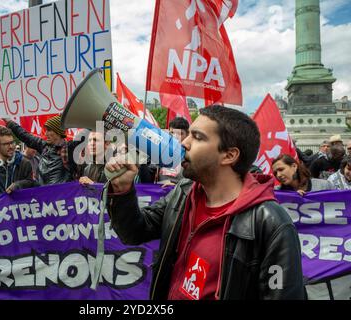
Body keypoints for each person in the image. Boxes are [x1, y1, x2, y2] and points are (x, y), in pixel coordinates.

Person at [105, 105, 305, 300]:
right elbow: (134, 232)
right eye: (189, 134)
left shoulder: (270, 223)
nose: (184, 143)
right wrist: (122, 190)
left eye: (198, 137)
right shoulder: (183, 193)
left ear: (229, 155)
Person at [3, 115, 80, 185]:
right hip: (44, 197)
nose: (46, 134)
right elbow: (24, 135)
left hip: (63, 197)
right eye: (46, 130)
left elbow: (84, 136)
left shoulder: (69, 148)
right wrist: (8, 120)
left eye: (49, 130)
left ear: (58, 132)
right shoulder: (43, 146)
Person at [0, 127, 36, 208]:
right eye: (6, 144)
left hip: (17, 211)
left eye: (12, 142)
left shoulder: (24, 163)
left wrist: (18, 185)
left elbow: (31, 184)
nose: (11, 146)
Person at [156, 117, 190, 187]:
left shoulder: (190, 157)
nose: (175, 137)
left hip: (179, 195)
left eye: (179, 134)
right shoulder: (161, 152)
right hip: (159, 195)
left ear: (187, 135)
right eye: (172, 133)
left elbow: (193, 185)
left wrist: (176, 186)